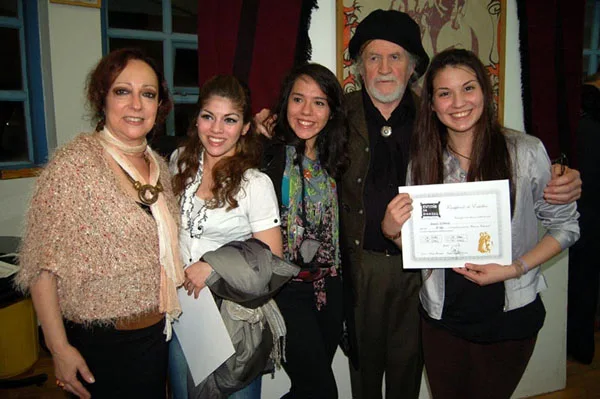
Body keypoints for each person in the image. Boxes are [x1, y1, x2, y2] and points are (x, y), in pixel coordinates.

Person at [341, 9, 583, 399]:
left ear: (413, 68)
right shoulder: (346, 120)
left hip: (472, 300)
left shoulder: (510, 149)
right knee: (373, 377)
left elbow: (563, 222)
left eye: (396, 56)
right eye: (373, 57)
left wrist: (566, 179)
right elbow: (296, 134)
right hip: (415, 295)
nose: (457, 103)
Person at [15, 48, 183, 398]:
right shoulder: (74, 166)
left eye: (147, 94)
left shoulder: (160, 168)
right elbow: (41, 267)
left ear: (159, 106)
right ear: (102, 98)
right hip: (98, 343)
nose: (136, 104)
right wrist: (59, 348)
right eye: (123, 91)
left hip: (156, 334)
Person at [168, 75, 283, 399]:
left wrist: (213, 266)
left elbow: (272, 258)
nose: (216, 129)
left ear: (245, 127)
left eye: (229, 120)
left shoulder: (254, 183)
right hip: (183, 312)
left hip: (233, 316)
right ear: (197, 119)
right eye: (209, 117)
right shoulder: (180, 164)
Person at [260, 63, 349, 398]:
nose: (307, 111)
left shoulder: (339, 160)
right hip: (286, 289)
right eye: (298, 99)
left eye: (319, 102)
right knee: (322, 391)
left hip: (331, 289)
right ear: (285, 104)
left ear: (331, 111)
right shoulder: (266, 154)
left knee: (309, 389)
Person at [567, 70, 600, 364]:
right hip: (586, 209)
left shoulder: (571, 108)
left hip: (580, 207)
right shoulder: (589, 117)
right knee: (585, 282)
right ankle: (580, 346)